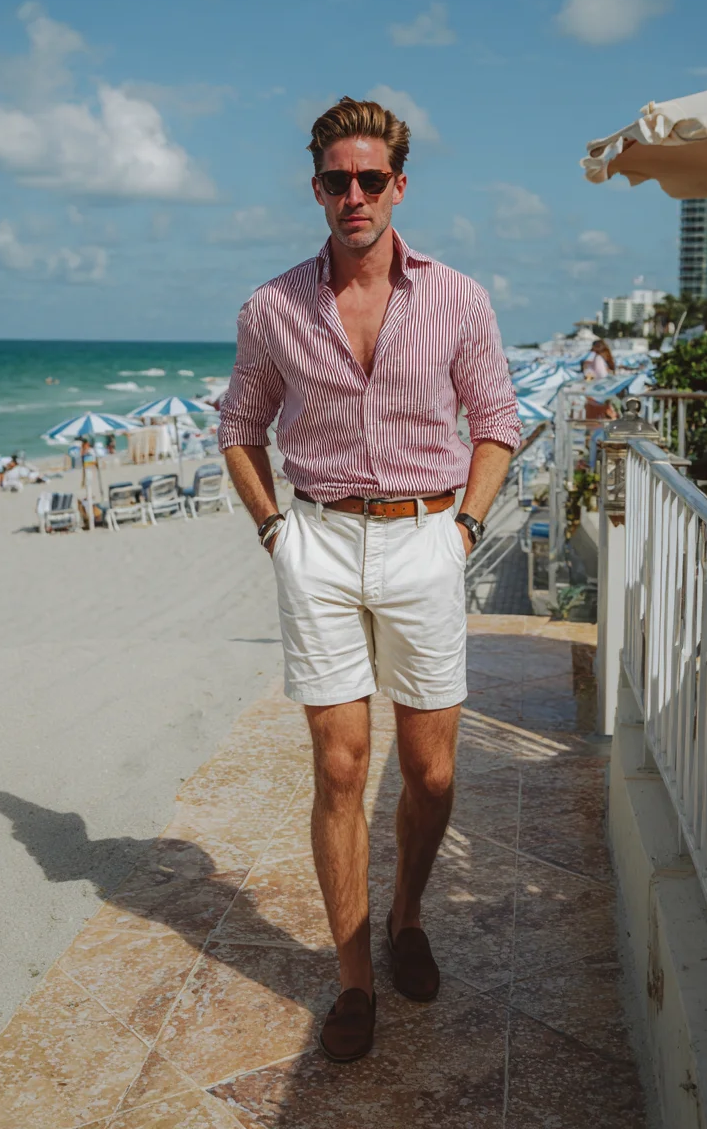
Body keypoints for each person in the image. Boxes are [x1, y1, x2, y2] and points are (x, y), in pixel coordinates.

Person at [219, 96, 520, 1063]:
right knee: (341, 766)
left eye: (371, 178)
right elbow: (239, 428)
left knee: (430, 770)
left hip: (426, 537)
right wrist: (276, 531)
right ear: (316, 189)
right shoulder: (273, 307)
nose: (354, 194)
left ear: (399, 185)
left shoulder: (458, 299)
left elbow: (497, 423)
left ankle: (406, 915)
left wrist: (463, 529)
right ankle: (354, 976)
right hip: (317, 540)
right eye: (336, 180)